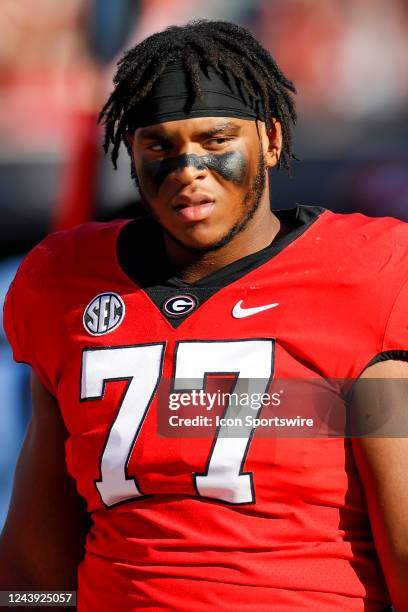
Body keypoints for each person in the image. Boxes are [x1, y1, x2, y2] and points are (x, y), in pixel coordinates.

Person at [1, 19, 408, 611]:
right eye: (159, 146)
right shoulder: (64, 283)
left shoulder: (360, 275)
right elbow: (37, 565)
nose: (189, 169)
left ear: (270, 139)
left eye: (216, 140)